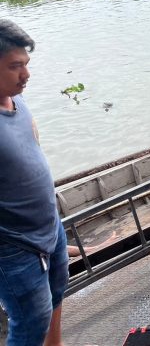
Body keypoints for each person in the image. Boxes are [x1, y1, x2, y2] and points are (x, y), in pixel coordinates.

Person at [0, 19, 69, 346]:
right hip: (13, 245)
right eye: (15, 67)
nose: (26, 75)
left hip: (49, 225)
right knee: (31, 321)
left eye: (26, 65)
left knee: (56, 293)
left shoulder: (16, 100)